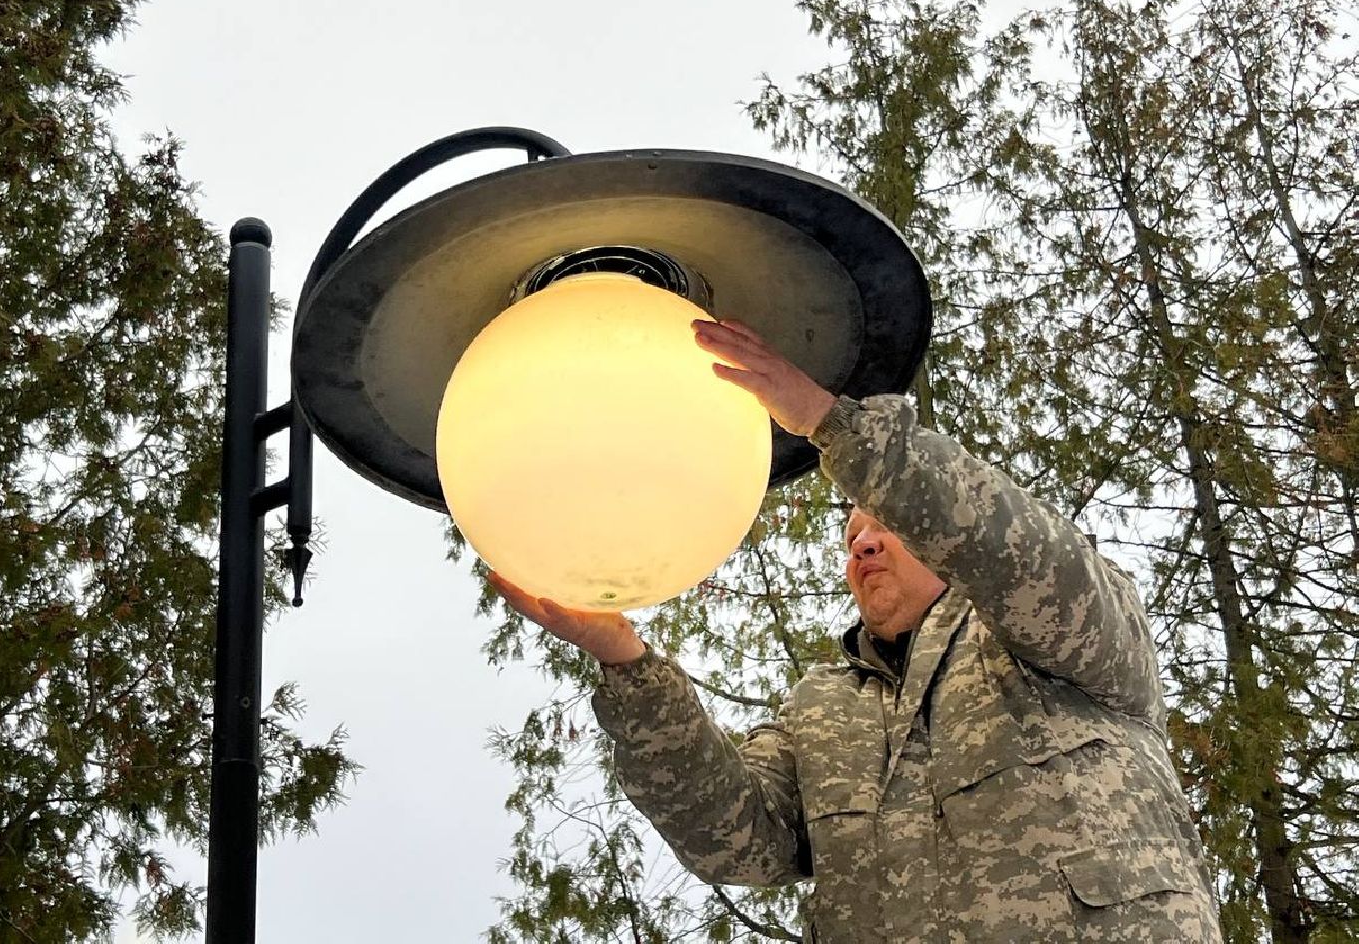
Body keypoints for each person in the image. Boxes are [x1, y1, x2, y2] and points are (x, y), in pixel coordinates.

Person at [491, 318, 1221, 942]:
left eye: (885, 528)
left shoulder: (1054, 637)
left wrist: (831, 426)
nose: (863, 546)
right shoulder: (820, 708)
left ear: (935, 540)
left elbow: (1012, 549)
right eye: (850, 540)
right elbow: (735, 841)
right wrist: (628, 663)